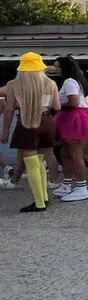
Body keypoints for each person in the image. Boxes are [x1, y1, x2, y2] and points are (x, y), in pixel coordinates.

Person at [0, 53, 60, 212]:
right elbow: (57, 107)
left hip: (27, 123)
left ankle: (39, 203)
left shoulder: (13, 84)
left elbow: (9, 110)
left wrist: (4, 131)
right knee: (40, 161)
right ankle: (44, 198)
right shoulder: (50, 83)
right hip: (47, 122)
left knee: (32, 163)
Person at [52, 55, 88, 202]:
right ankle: (67, 184)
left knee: (75, 153)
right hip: (74, 117)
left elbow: (73, 101)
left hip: (73, 118)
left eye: (58, 67)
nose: (56, 70)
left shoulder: (69, 82)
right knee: (65, 151)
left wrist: (56, 104)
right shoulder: (75, 81)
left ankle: (81, 187)